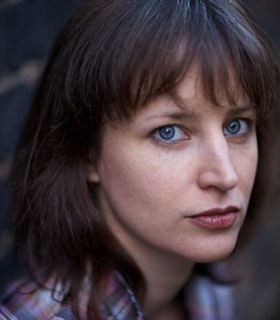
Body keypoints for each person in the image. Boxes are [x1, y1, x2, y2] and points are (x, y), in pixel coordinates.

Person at [0, 0, 279, 319]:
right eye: (170, 132)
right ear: (88, 152)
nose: (226, 175)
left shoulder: (209, 292)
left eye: (236, 126)